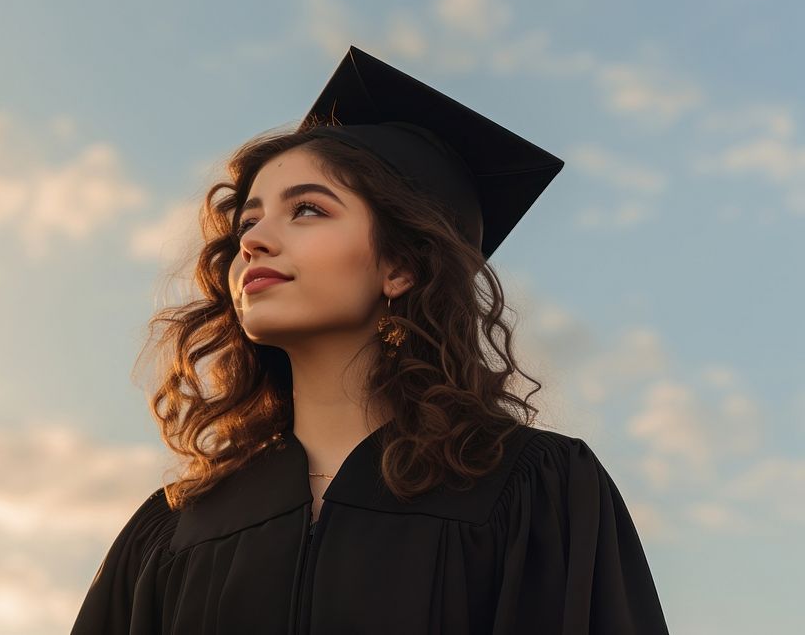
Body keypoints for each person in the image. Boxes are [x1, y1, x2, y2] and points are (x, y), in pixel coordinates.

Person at [70, 45, 671, 634]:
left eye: (307, 210)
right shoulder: (173, 529)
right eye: (248, 221)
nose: (253, 241)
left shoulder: (532, 492)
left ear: (401, 267)